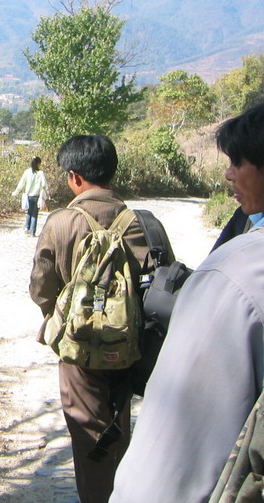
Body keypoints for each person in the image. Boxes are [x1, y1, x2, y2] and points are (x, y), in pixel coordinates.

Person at [110, 102, 264, 503]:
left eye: (238, 162)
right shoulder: (130, 219)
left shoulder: (234, 275)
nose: (228, 173)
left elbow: (173, 455)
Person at [28, 135, 174, 503]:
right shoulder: (146, 223)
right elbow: (168, 286)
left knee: (88, 432)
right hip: (133, 346)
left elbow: (41, 287)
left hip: (79, 349)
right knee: (121, 420)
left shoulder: (60, 223)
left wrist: (57, 316)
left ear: (74, 177)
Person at [12, 156, 48, 236]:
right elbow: (44, 185)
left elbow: (21, 183)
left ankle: (26, 228)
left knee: (29, 212)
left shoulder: (27, 172)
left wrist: (15, 192)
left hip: (28, 196)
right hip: (37, 196)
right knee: (34, 214)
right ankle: (32, 232)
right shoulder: (41, 173)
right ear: (38, 164)